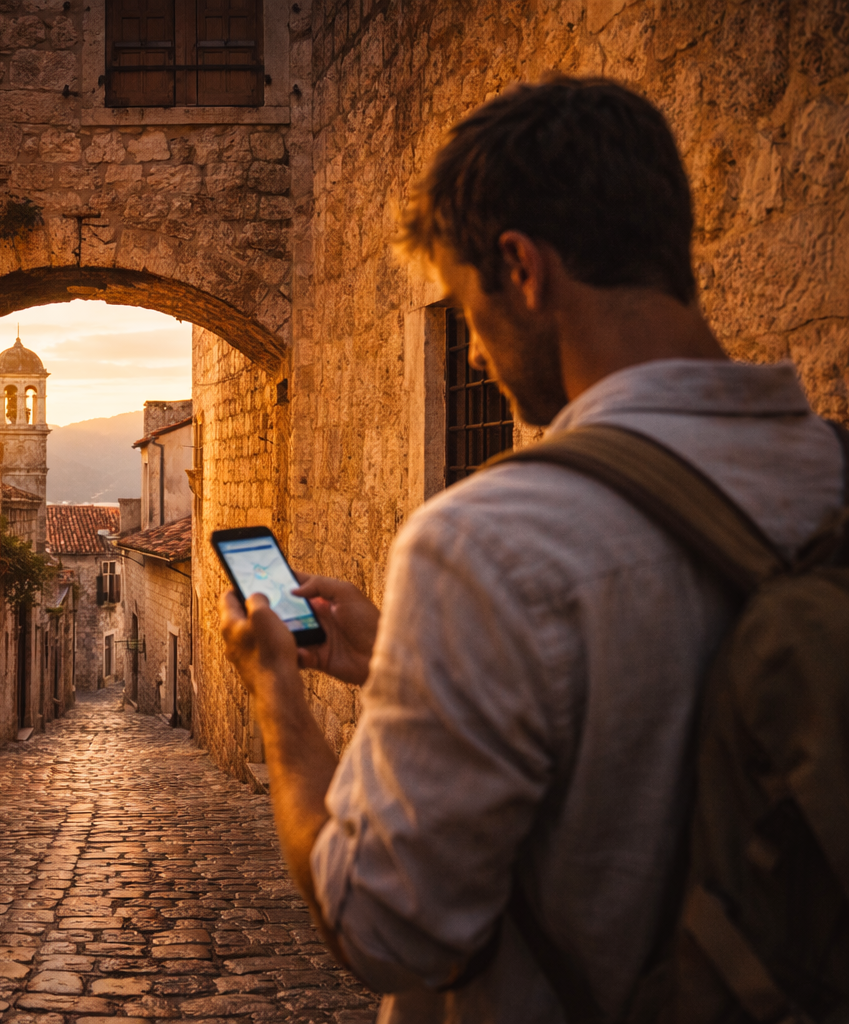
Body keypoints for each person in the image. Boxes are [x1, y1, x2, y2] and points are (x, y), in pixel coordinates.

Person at [218, 76, 845, 1021]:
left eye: (466, 307)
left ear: (522, 269)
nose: (472, 354)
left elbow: (382, 928)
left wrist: (279, 697)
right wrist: (406, 659)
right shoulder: (831, 473)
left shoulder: (486, 540)